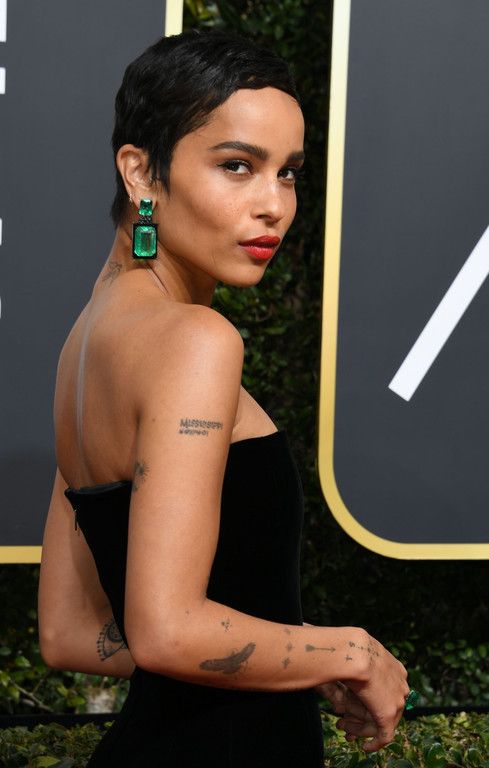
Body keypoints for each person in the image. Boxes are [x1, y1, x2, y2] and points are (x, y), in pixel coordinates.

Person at [38, 29, 409, 767]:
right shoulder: (195, 340)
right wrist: (348, 652)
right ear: (141, 172)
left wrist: (284, 660)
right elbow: (167, 631)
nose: (273, 205)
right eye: (237, 166)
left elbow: (69, 634)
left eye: (288, 173)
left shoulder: (86, 343)